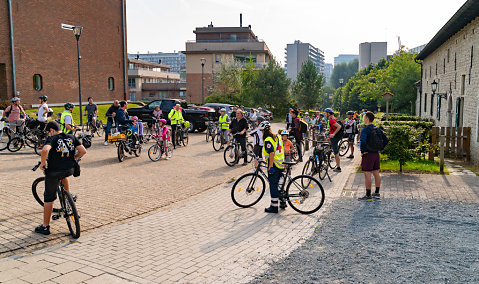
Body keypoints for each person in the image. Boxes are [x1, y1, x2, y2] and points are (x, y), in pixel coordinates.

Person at [34, 121, 87, 235]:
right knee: (63, 176)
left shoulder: (52, 139)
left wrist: (43, 163)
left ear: (52, 130)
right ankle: (67, 199)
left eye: (48, 132)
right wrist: (75, 156)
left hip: (54, 172)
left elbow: (44, 150)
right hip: (69, 169)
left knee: (49, 198)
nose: (48, 134)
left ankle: (45, 226)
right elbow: (83, 151)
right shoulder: (71, 136)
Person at [358, 111, 388, 200]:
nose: (363, 119)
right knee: (376, 173)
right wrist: (380, 148)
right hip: (376, 154)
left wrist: (363, 151)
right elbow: (386, 140)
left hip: (368, 154)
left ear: (367, 119)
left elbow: (362, 141)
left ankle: (368, 195)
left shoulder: (365, 129)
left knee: (367, 173)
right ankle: (377, 193)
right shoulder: (377, 129)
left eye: (364, 117)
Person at [259, 121, 285, 213]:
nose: (261, 133)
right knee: (280, 184)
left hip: (274, 165)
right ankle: (283, 202)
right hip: (281, 163)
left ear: (264, 131)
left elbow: (272, 153)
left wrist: (270, 166)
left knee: (273, 185)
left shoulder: (268, 140)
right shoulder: (277, 136)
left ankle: (274, 207)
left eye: (262, 131)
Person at [324, 108, 342, 172]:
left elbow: (339, 126)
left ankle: (338, 167)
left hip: (335, 137)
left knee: (336, 152)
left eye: (325, 113)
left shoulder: (331, 120)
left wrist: (333, 134)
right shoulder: (333, 118)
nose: (324, 114)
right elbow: (333, 128)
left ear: (328, 113)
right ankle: (330, 156)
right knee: (329, 145)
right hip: (334, 136)